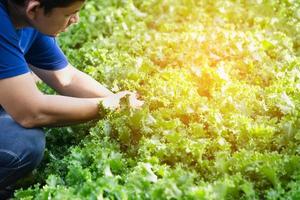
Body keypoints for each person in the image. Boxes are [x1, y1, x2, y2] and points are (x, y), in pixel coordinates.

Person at [0, 0, 143, 198]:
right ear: (34, 9)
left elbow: (66, 78)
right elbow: (31, 111)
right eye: (69, 14)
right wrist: (105, 106)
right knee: (24, 142)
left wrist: (121, 102)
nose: (76, 20)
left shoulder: (28, 24)